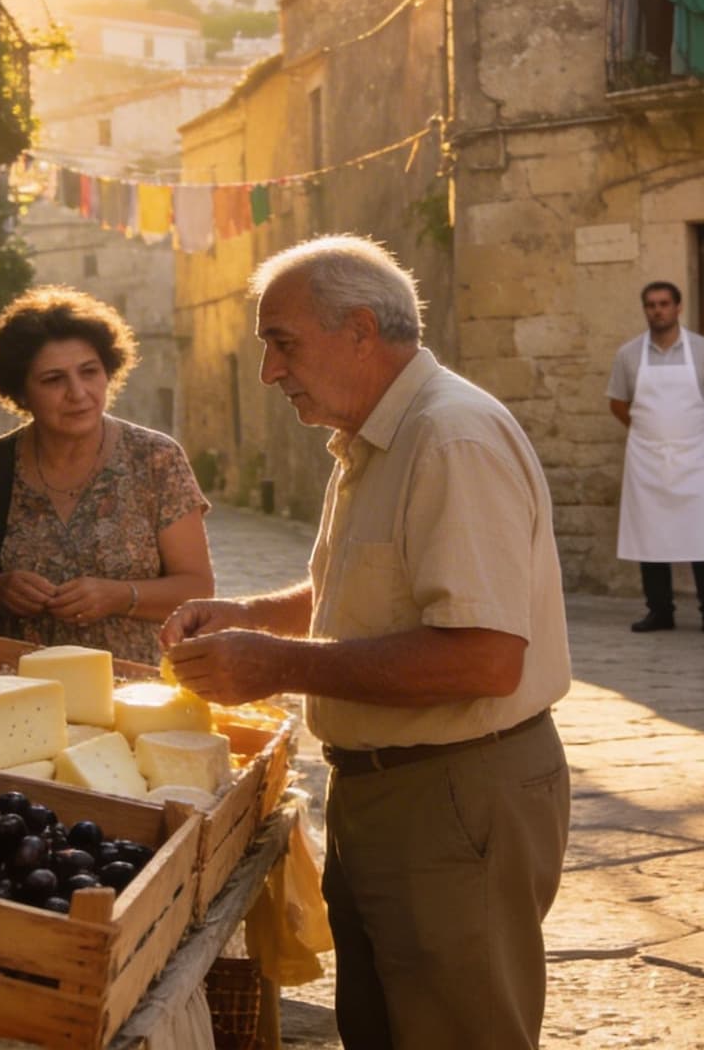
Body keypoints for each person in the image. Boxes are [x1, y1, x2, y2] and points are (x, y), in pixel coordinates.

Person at [161, 236, 571, 1050]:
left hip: (453, 793)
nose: (271, 372)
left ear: (358, 329)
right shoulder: (377, 435)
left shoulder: (450, 438)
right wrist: (255, 613)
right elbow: (366, 588)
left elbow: (484, 656)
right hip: (393, 789)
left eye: (282, 343)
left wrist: (275, 664)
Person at [0, 286, 212, 666]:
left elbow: (198, 589)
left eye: (89, 372)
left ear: (109, 372)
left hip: (131, 691)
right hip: (14, 687)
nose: (78, 393)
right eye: (53, 379)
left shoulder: (156, 459)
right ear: (21, 392)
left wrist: (119, 596)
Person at [608, 279, 704, 636]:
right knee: (650, 536)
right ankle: (659, 611)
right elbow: (618, 403)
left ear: (678, 307)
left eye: (664, 303)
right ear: (645, 310)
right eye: (651, 304)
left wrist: (699, 425)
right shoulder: (628, 355)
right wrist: (650, 433)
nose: (658, 310)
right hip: (647, 458)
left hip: (694, 455)